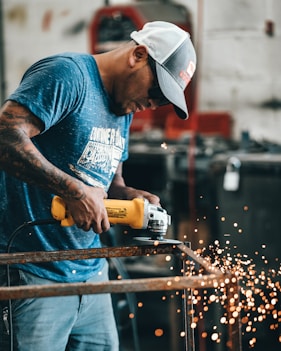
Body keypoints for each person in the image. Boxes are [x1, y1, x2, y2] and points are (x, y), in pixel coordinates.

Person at [0, 21, 196, 351]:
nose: (152, 104)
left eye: (162, 101)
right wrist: (72, 191)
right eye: (155, 92)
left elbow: (109, 180)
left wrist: (128, 194)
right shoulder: (67, 75)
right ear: (138, 54)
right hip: (34, 272)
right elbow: (6, 137)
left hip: (91, 272)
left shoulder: (125, 107)